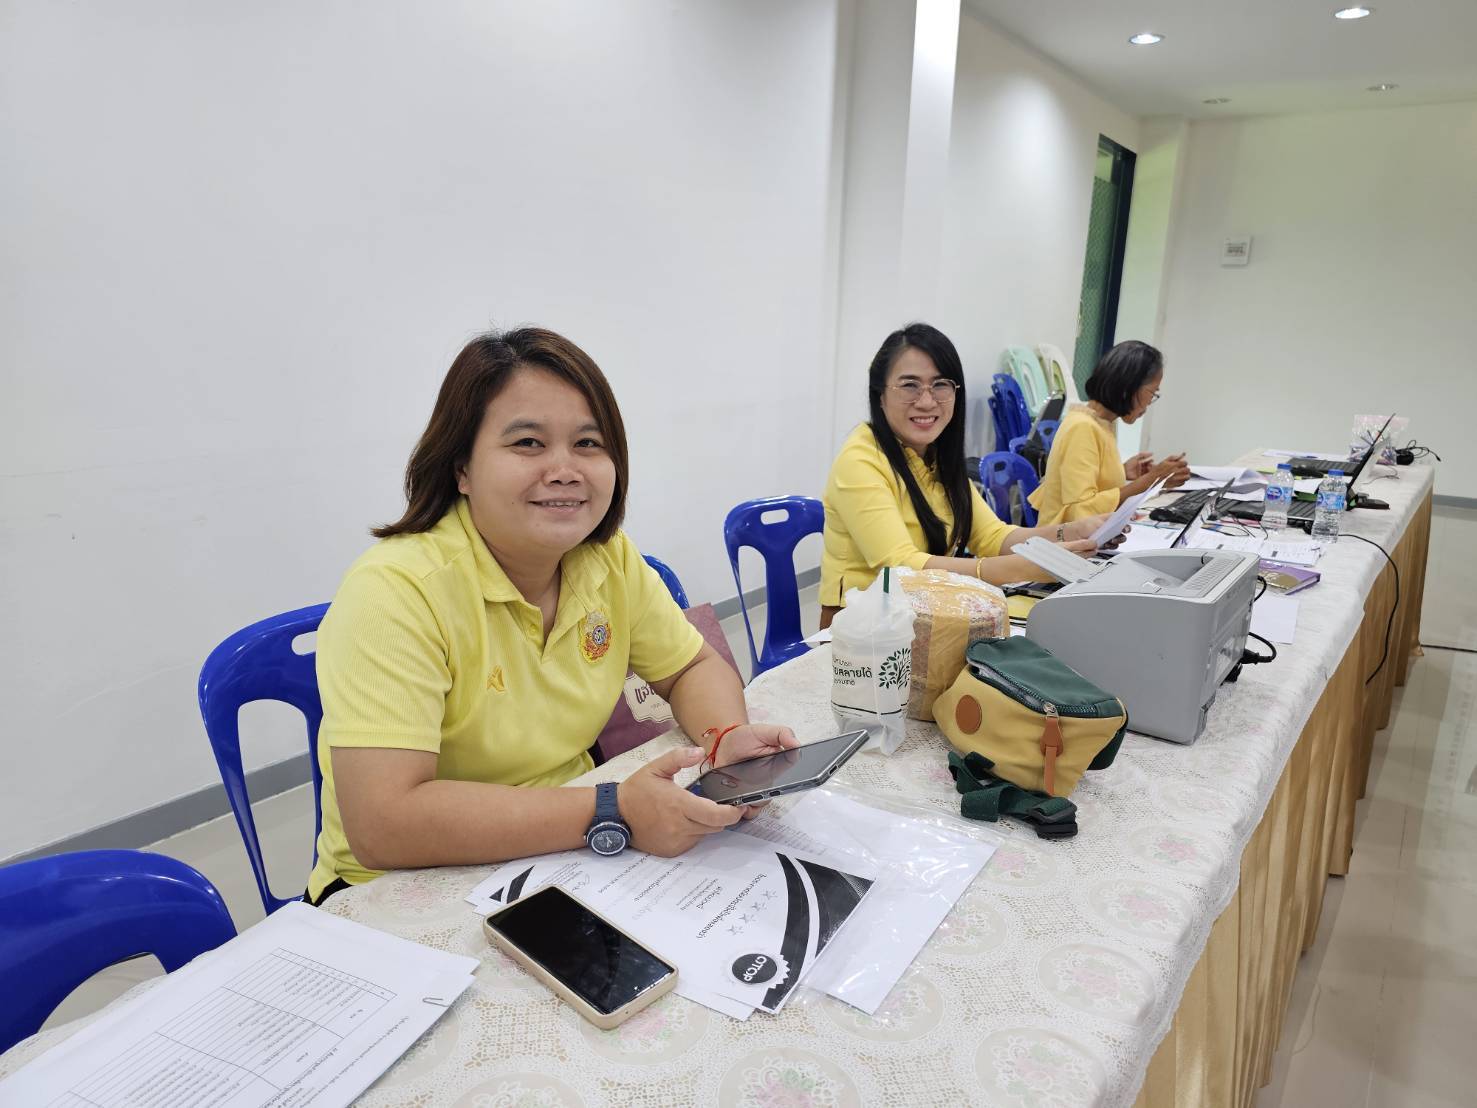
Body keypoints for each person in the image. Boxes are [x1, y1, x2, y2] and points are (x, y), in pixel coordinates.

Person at [306, 328, 797, 905]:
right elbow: (384, 824)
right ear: (461, 468)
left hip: (563, 851)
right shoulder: (395, 591)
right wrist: (614, 808)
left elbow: (690, 667)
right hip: (405, 889)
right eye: (528, 443)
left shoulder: (606, 558)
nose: (565, 469)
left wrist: (723, 739)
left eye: (589, 443)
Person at [819, 323, 1119, 629]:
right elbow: (900, 566)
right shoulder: (861, 460)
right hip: (861, 632)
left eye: (940, 385)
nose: (926, 401)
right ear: (880, 395)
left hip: (925, 615)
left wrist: (1072, 531)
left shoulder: (937, 456)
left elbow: (993, 536)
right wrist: (1018, 568)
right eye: (909, 385)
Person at [1030, 340, 1190, 526]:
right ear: (1128, 387)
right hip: (1063, 544)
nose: (1149, 403)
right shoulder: (1082, 427)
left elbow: (1082, 483)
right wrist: (1151, 480)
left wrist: (1121, 471)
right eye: (1152, 393)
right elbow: (1081, 510)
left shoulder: (1102, 422)